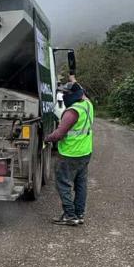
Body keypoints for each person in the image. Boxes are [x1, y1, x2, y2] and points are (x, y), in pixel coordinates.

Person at [45, 80, 94, 226]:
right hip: (85, 153)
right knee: (80, 184)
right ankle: (79, 214)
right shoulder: (88, 105)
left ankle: (70, 216)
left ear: (72, 95)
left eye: (65, 94)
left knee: (64, 184)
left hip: (69, 154)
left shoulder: (72, 112)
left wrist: (47, 138)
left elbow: (58, 134)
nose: (63, 96)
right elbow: (81, 91)